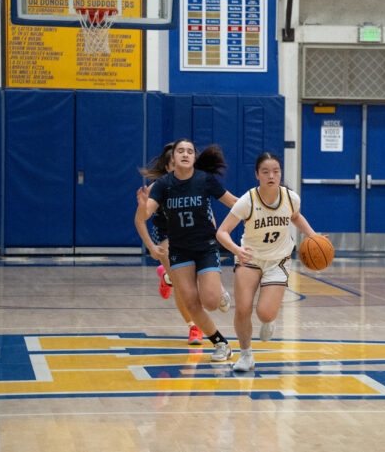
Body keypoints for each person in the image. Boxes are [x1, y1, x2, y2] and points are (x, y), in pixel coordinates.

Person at [135, 139, 237, 362]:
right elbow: (142, 216)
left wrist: (261, 208)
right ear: (173, 158)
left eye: (189, 151)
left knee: (210, 302)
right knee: (190, 302)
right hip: (178, 249)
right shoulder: (162, 185)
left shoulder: (204, 179)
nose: (185, 154)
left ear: (194, 158)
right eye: (180, 151)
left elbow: (234, 203)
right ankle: (220, 343)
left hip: (205, 247)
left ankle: (202, 285)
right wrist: (143, 208)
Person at [216, 152, 318, 372]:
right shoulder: (247, 201)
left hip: (278, 260)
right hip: (249, 258)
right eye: (265, 172)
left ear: (280, 173)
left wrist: (313, 236)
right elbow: (222, 232)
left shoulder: (291, 198)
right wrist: (236, 249)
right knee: (242, 308)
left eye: (275, 171)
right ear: (257, 175)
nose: (271, 176)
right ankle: (246, 355)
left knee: (264, 313)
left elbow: (295, 216)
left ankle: (269, 319)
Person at [138, 142, 203, 345]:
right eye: (175, 165)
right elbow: (140, 219)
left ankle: (166, 277)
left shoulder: (196, 185)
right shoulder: (157, 188)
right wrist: (151, 246)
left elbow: (207, 214)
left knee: (189, 280)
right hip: (165, 236)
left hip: (190, 235)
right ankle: (194, 326)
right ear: (167, 168)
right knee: (184, 285)